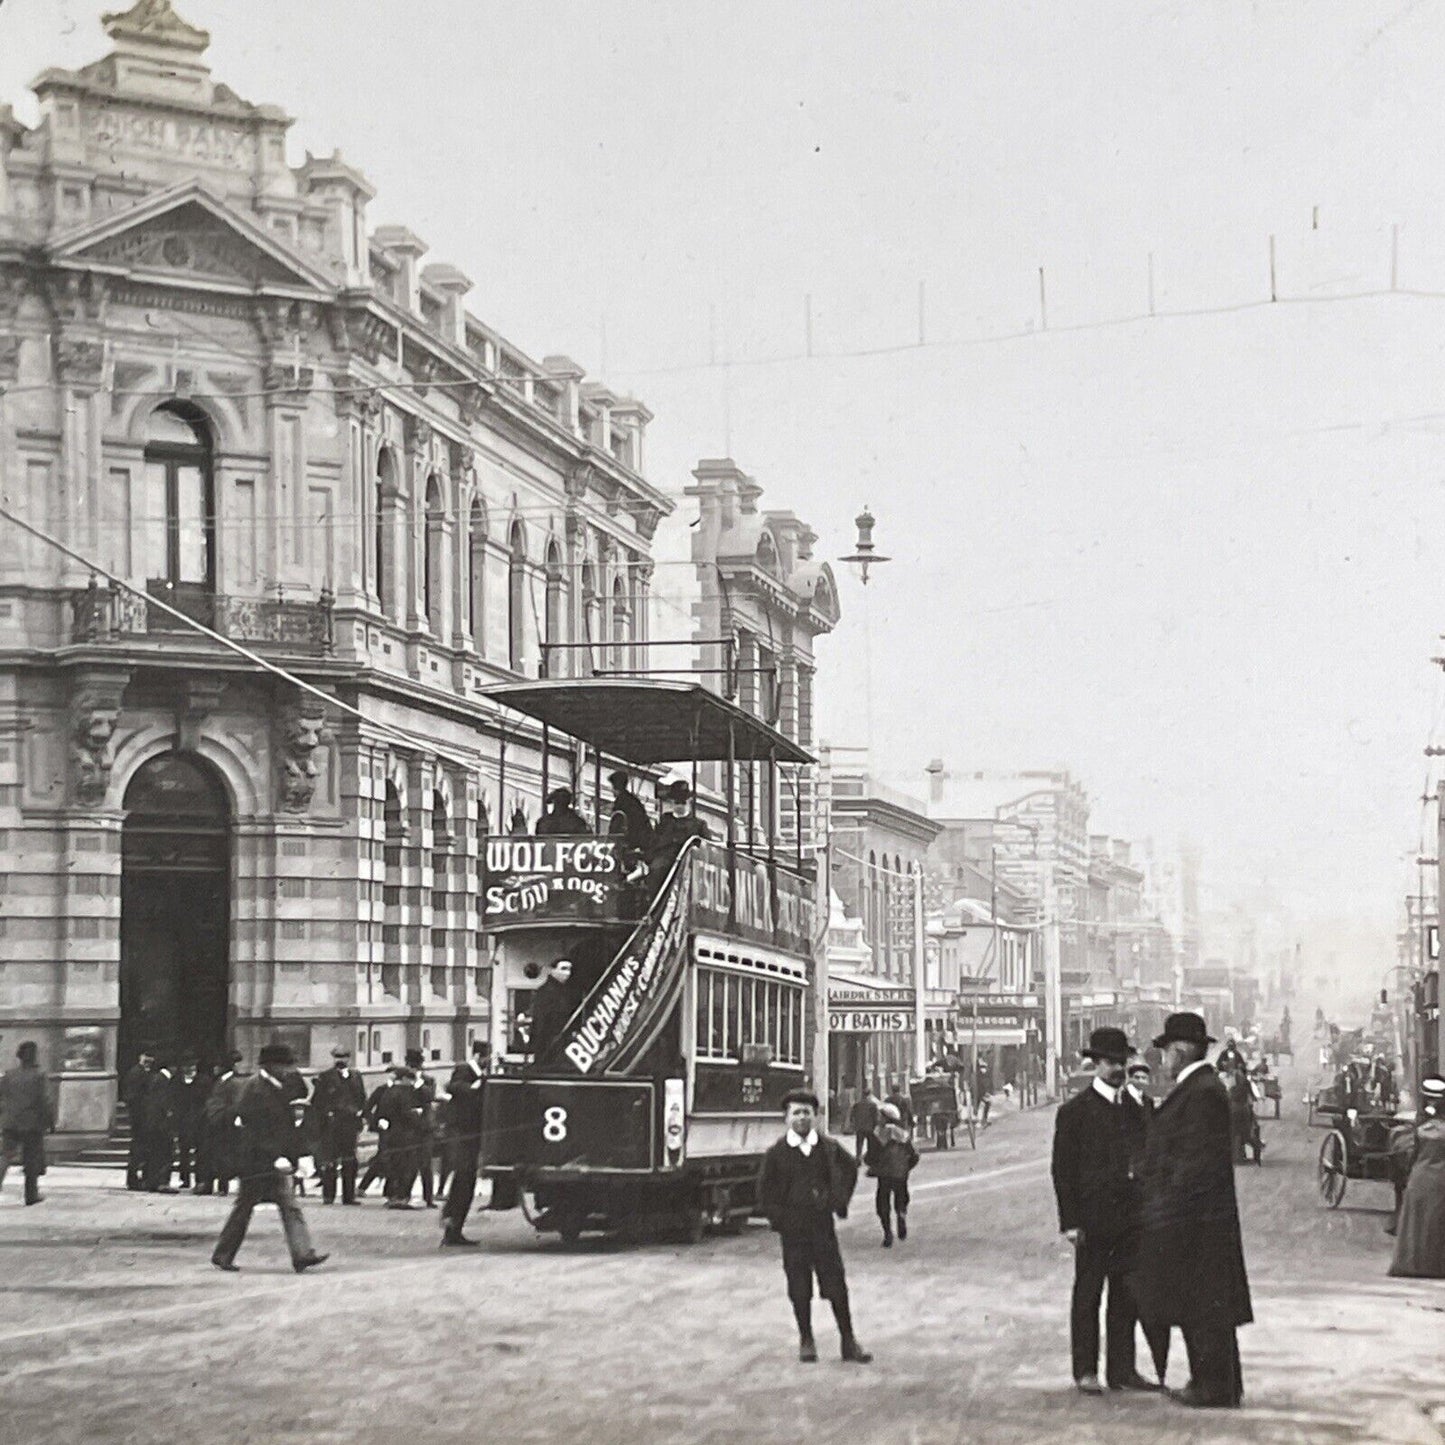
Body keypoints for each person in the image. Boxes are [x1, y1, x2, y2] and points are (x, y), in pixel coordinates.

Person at [1133, 1013, 1252, 1410]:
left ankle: (1212, 1387)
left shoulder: (1200, 1091)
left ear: (1180, 1051)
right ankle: (1220, 1384)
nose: (1162, 1059)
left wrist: (1165, 1207)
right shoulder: (1203, 1087)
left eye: (1165, 1051)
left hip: (1194, 1222)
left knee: (1202, 1307)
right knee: (1208, 1305)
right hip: (1203, 1220)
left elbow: (1193, 1164)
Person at [1050, 1027, 1164, 1396]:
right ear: (1095, 1064)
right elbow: (1062, 1171)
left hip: (1130, 1221)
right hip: (1093, 1222)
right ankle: (1085, 1370)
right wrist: (1070, 1221)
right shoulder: (1075, 1112)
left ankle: (1122, 1370)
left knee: (1126, 1295)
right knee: (1088, 1294)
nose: (1118, 1069)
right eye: (1111, 1062)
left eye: (1123, 1062)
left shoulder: (1134, 1108)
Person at [757, 1089, 872, 1364]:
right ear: (786, 1118)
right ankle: (806, 1340)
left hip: (822, 1226)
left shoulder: (828, 1148)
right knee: (798, 1285)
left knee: (836, 1283)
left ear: (815, 1116)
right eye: (795, 1113)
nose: (801, 1118)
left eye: (806, 1112)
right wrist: (779, 1218)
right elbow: (764, 1192)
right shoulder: (777, 1154)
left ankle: (848, 1340)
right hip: (793, 1230)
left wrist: (838, 1200)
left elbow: (850, 1169)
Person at [211, 1042, 328, 1275]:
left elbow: (284, 1128)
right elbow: (252, 1129)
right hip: (256, 1162)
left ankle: (302, 1254)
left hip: (271, 1160)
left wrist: (296, 1155)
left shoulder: (277, 1086)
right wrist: (275, 1156)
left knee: (287, 1206)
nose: (288, 1070)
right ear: (270, 1066)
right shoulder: (254, 1089)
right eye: (284, 1066)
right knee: (245, 1208)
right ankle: (223, 1254)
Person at [1389, 1076, 1445, 1277]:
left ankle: (1414, 1263)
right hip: (1440, 1180)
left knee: (1416, 1221)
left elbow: (1410, 1154)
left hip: (1421, 1178)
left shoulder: (1420, 1127)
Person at [440, 1040, 489, 1247]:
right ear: (478, 1056)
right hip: (461, 1134)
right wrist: (473, 1087)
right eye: (486, 1057)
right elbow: (452, 1086)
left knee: (467, 1180)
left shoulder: (480, 1074)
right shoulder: (464, 1069)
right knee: (463, 1176)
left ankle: (455, 1227)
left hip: (471, 1135)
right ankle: (451, 1224)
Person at [311, 1044, 366, 1205]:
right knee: (330, 1162)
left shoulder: (356, 1076)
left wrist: (360, 1112)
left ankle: (349, 1196)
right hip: (332, 1125)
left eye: (343, 1057)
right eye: (337, 1057)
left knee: (350, 1160)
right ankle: (329, 1195)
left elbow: (362, 1097)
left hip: (350, 1124)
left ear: (349, 1059)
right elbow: (318, 1101)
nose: (340, 1060)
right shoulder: (325, 1077)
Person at [0, 1041, 53, 1206]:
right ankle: (31, 1194)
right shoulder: (39, 1076)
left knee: (5, 1155)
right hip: (32, 1123)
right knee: (31, 1159)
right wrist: (50, 1122)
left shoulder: (8, 1075)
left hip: (10, 1121)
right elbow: (45, 1101)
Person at [865, 1101, 918, 1247]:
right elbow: (914, 1155)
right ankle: (901, 1215)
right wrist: (906, 1167)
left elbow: (870, 1156)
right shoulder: (903, 1135)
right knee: (902, 1198)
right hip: (901, 1174)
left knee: (882, 1203)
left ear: (885, 1117)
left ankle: (888, 1233)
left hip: (884, 1174)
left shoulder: (876, 1135)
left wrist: (871, 1165)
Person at [202, 1052, 248, 1196]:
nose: (215, 1069)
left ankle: (223, 1185)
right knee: (214, 1154)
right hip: (215, 1122)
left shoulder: (234, 1082)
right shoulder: (220, 1081)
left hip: (225, 1123)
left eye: (218, 1066)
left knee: (225, 1155)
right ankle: (211, 1184)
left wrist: (231, 1117)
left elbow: (237, 1103)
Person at [527, 959, 579, 1063]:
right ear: (552, 970)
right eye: (563, 968)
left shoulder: (568, 991)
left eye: (569, 969)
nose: (567, 973)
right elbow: (540, 1022)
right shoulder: (545, 992)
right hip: (549, 1044)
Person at [121, 1045, 158, 1190]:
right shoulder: (136, 1073)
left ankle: (139, 1178)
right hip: (141, 1118)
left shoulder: (144, 1072)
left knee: (142, 1149)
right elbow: (132, 1097)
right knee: (139, 1149)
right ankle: (134, 1179)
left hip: (143, 1117)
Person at [405, 1048, 438, 1208]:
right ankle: (404, 1195)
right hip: (409, 1126)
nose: (414, 1069)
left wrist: (418, 1084)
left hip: (425, 1127)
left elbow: (429, 1097)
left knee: (425, 1163)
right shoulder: (404, 1081)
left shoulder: (428, 1081)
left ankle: (428, 1197)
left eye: (416, 1066)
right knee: (409, 1162)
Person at [173, 1055, 209, 1191]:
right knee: (184, 1152)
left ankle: (201, 1179)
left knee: (201, 1152)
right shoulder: (177, 1081)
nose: (190, 1069)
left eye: (193, 1067)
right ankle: (185, 1179)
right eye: (187, 1067)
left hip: (200, 1121)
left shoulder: (204, 1081)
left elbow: (207, 1100)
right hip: (184, 1121)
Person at [607, 769, 654, 852]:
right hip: (640, 843)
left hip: (629, 844)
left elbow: (616, 826)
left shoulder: (621, 803)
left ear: (615, 787)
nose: (611, 790)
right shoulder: (633, 801)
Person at [849, 1088, 880, 1159]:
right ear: (870, 1095)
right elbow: (875, 1117)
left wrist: (854, 1124)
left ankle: (858, 1157)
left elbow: (852, 1115)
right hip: (870, 1127)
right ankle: (869, 1157)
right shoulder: (873, 1105)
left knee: (859, 1143)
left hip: (859, 1127)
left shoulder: (857, 1104)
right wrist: (875, 1125)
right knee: (870, 1144)